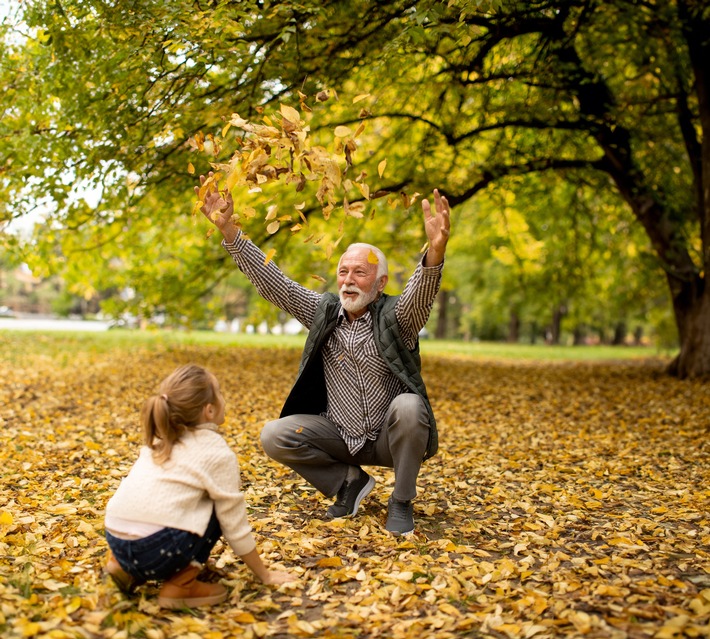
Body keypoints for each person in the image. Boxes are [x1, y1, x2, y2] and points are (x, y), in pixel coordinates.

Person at [198, 173, 450, 535]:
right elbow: (277, 285)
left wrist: (435, 252)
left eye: (360, 273)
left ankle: (401, 500)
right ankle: (348, 482)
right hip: (339, 434)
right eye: (343, 271)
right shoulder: (324, 311)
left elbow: (421, 292)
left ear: (380, 284)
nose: (348, 280)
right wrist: (230, 233)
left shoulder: (399, 317)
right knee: (275, 434)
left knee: (410, 407)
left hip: (388, 441)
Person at [104, 364, 296, 609]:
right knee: (218, 507)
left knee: (173, 504)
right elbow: (233, 523)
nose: (224, 398)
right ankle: (180, 586)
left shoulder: (159, 438)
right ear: (209, 410)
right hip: (159, 549)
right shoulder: (216, 452)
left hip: (116, 540)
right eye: (220, 392)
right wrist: (265, 575)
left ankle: (123, 568)